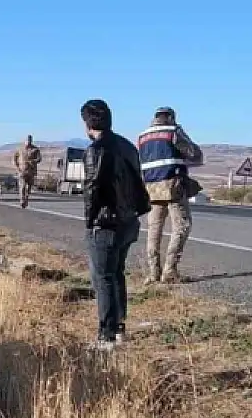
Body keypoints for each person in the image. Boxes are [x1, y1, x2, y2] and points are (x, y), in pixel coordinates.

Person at [80, 99, 150, 349]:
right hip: (128, 220)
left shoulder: (95, 150)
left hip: (106, 223)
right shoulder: (127, 146)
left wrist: (90, 222)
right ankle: (119, 328)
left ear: (87, 123)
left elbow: (92, 189)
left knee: (103, 278)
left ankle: (106, 335)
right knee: (117, 274)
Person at [137, 107, 204, 285]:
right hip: (173, 185)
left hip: (151, 188)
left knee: (154, 230)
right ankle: (170, 270)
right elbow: (194, 153)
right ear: (171, 117)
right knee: (182, 226)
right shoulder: (173, 131)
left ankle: (152, 273)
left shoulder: (142, 136)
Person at [12, 134, 42, 208]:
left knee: (29, 187)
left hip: (31, 171)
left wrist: (33, 161)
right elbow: (14, 158)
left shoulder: (35, 149)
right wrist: (17, 167)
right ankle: (22, 200)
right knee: (22, 186)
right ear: (25, 140)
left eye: (30, 140)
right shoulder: (20, 149)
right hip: (22, 171)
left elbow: (39, 159)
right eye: (27, 140)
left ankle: (26, 198)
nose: (28, 141)